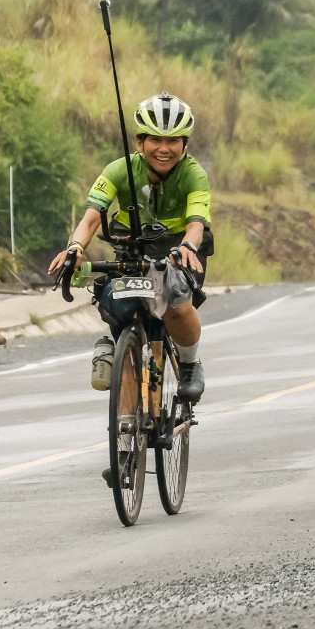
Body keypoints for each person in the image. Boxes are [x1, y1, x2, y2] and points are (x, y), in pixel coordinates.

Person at [48, 92, 212, 406]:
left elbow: (196, 224)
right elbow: (91, 218)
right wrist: (75, 247)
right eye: (155, 140)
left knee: (176, 303)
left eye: (173, 141)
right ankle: (117, 351)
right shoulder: (117, 170)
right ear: (139, 142)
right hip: (132, 245)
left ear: (185, 145)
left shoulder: (195, 175)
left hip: (181, 248)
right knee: (119, 301)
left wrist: (188, 245)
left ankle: (190, 365)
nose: (164, 149)